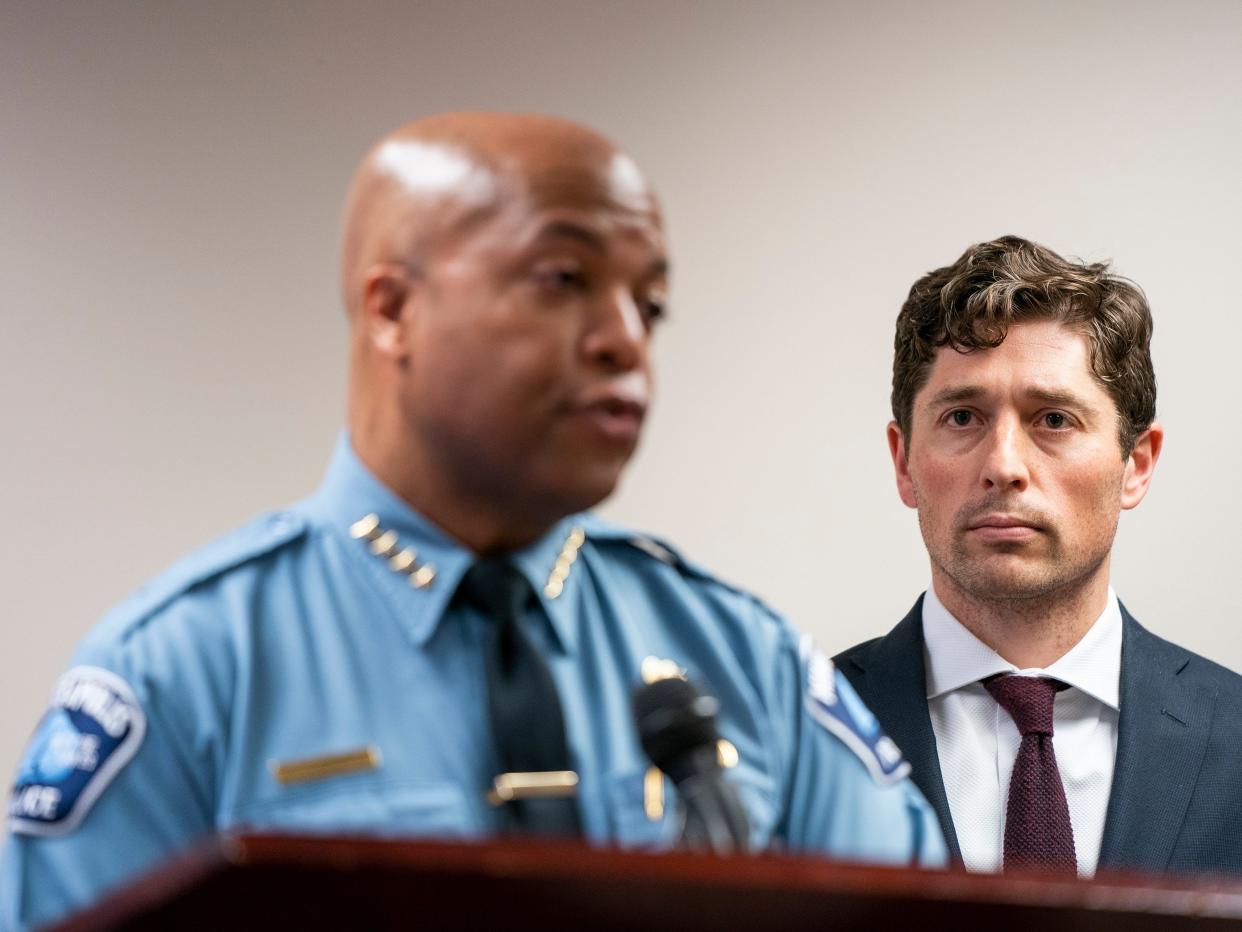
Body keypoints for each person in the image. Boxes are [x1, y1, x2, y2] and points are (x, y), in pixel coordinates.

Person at [2, 112, 944, 929]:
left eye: (648, 302)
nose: (625, 336)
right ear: (394, 309)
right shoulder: (187, 673)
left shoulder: (742, 658)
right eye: (564, 278)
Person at [835, 236, 1242, 879]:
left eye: (1053, 419)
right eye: (963, 416)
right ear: (903, 461)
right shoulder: (799, 732)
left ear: (1136, 464)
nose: (1003, 465)